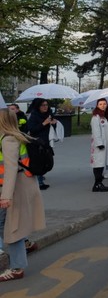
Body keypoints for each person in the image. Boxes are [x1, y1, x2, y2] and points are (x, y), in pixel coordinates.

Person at [0, 108, 46, 281]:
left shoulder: (9, 139)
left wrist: (6, 196)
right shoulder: (15, 136)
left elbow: (11, 169)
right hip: (20, 186)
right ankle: (25, 244)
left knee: (11, 228)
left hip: (16, 188)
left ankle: (17, 268)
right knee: (11, 225)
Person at [26, 98, 55, 191]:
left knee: (46, 160)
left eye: (46, 105)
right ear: (38, 106)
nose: (45, 107)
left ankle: (40, 177)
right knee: (39, 161)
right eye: (43, 105)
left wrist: (54, 123)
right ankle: (39, 182)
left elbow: (51, 128)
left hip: (46, 142)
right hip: (37, 142)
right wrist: (44, 123)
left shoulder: (49, 114)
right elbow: (32, 129)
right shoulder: (34, 115)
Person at [89, 99, 108, 192]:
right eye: (100, 104)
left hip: (107, 143)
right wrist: (99, 143)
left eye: (104, 104)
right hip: (100, 145)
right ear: (97, 105)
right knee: (98, 164)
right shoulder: (96, 117)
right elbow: (96, 131)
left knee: (102, 164)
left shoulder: (107, 116)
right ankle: (98, 183)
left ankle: (97, 185)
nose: (103, 105)